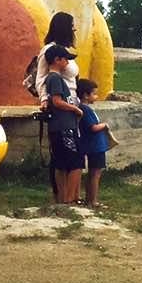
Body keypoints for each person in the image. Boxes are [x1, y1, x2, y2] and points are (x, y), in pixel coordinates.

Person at [43, 45, 84, 204]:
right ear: (57, 60)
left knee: (60, 163)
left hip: (57, 126)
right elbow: (57, 101)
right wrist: (75, 109)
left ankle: (61, 198)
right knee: (76, 162)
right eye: (65, 59)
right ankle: (70, 199)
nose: (67, 62)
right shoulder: (56, 78)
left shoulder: (50, 78)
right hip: (65, 126)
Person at [77, 78, 111, 208]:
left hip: (91, 145)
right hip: (95, 146)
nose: (96, 97)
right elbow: (93, 127)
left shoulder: (83, 108)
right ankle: (93, 200)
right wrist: (104, 125)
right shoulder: (86, 109)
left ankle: (88, 198)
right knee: (96, 174)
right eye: (94, 94)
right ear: (86, 95)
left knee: (92, 174)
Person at [34, 12, 79, 105]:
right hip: (59, 103)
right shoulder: (49, 50)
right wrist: (44, 99)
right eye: (71, 26)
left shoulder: (64, 50)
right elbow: (41, 77)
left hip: (71, 101)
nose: (74, 29)